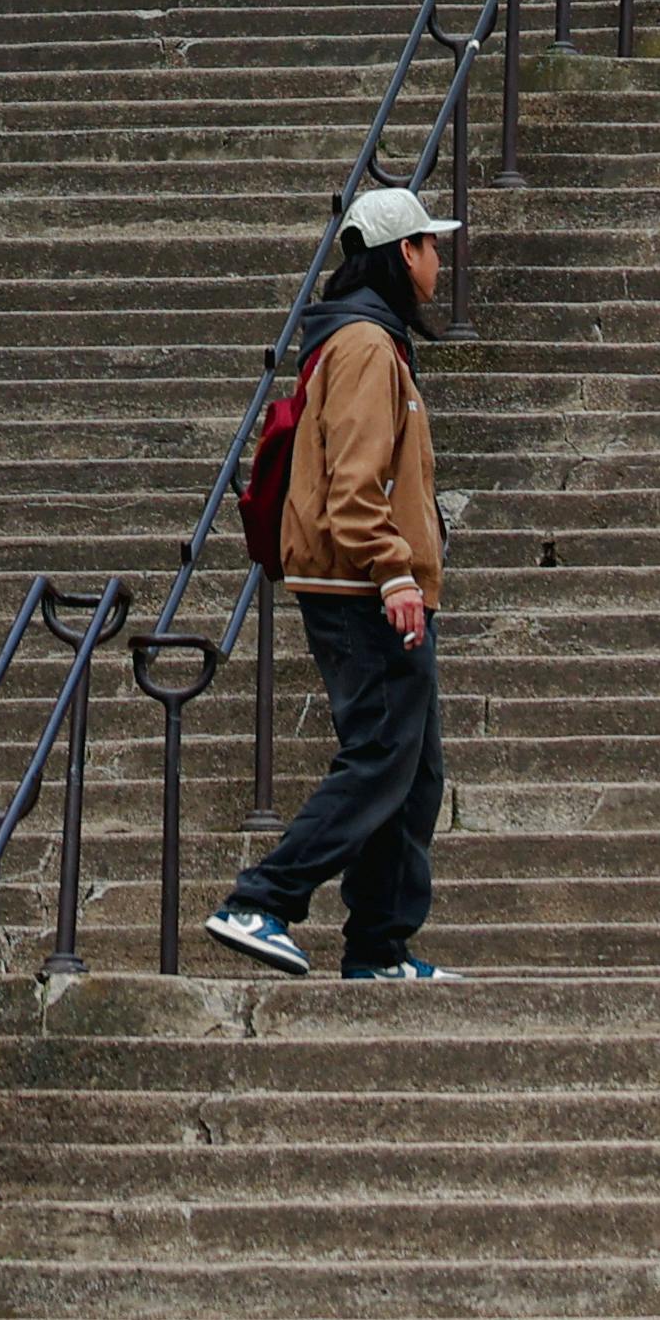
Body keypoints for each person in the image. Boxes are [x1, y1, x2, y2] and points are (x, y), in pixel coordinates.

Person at [207, 190, 458, 983]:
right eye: (429, 244)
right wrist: (394, 571)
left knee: (413, 774)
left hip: (366, 583)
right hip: (361, 588)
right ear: (402, 253)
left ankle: (379, 947)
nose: (439, 259)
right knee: (381, 755)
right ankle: (261, 899)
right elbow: (355, 483)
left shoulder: (368, 338)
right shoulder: (364, 345)